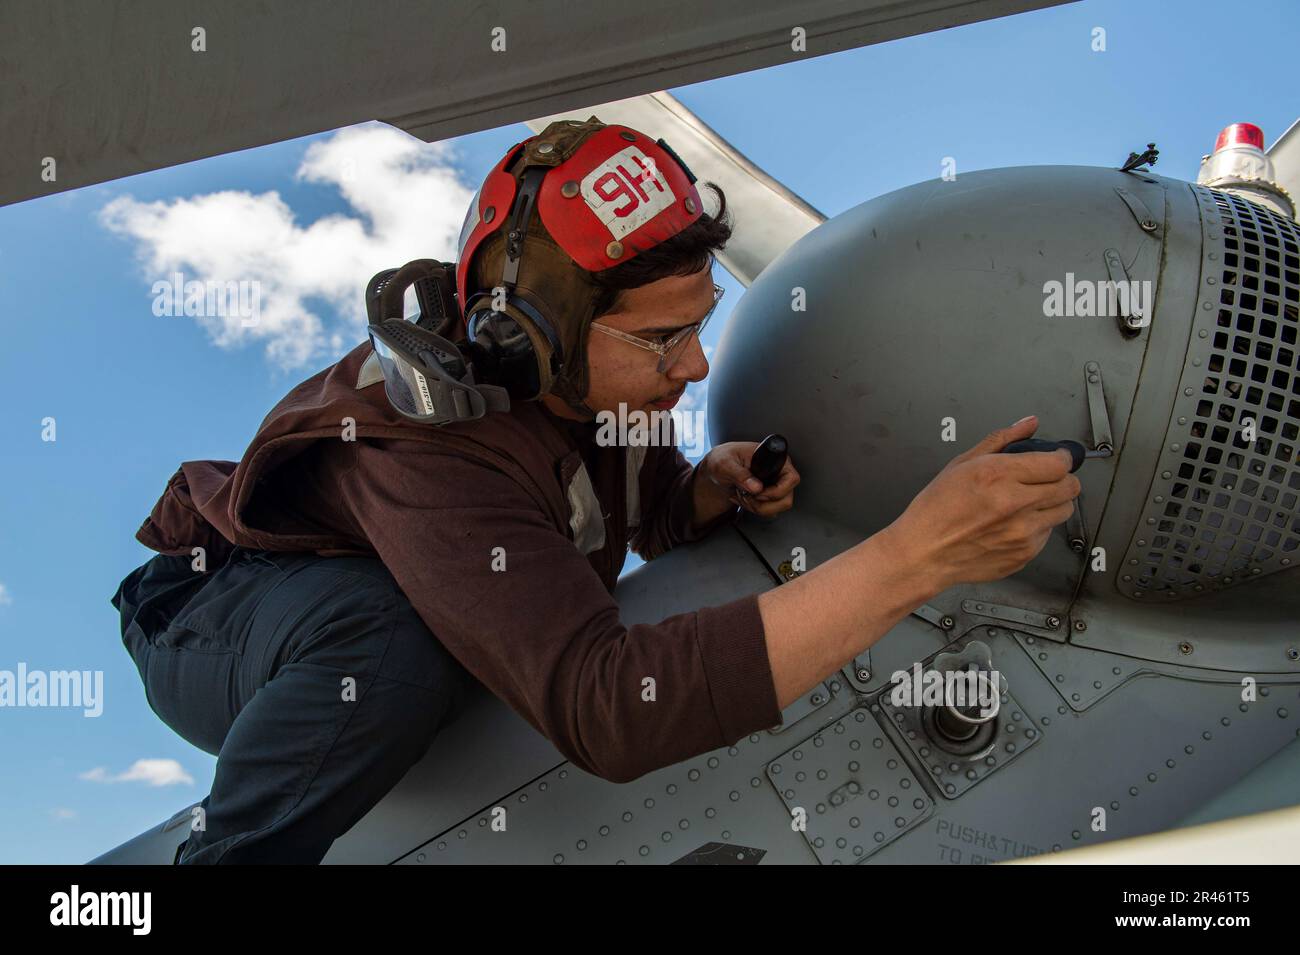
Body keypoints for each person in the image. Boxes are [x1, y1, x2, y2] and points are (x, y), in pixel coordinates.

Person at [111, 116, 1079, 864]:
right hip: (215, 612)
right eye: (663, 341)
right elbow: (609, 708)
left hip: (360, 596)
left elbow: (624, 510)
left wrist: (700, 489)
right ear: (525, 335)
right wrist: (915, 557)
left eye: (702, 323)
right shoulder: (420, 441)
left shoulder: (582, 381)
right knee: (394, 646)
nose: (695, 368)